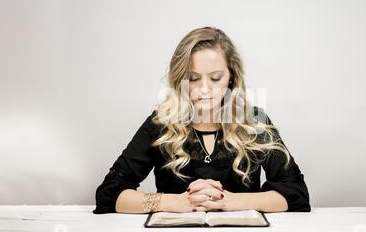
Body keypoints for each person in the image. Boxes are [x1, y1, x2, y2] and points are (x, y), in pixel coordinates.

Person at [93, 26, 310, 214]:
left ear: (232, 77)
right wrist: (177, 202)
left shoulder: (254, 121)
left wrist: (231, 202)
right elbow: (109, 194)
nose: (204, 89)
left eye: (216, 78)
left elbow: (296, 195)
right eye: (193, 78)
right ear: (179, 79)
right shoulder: (161, 124)